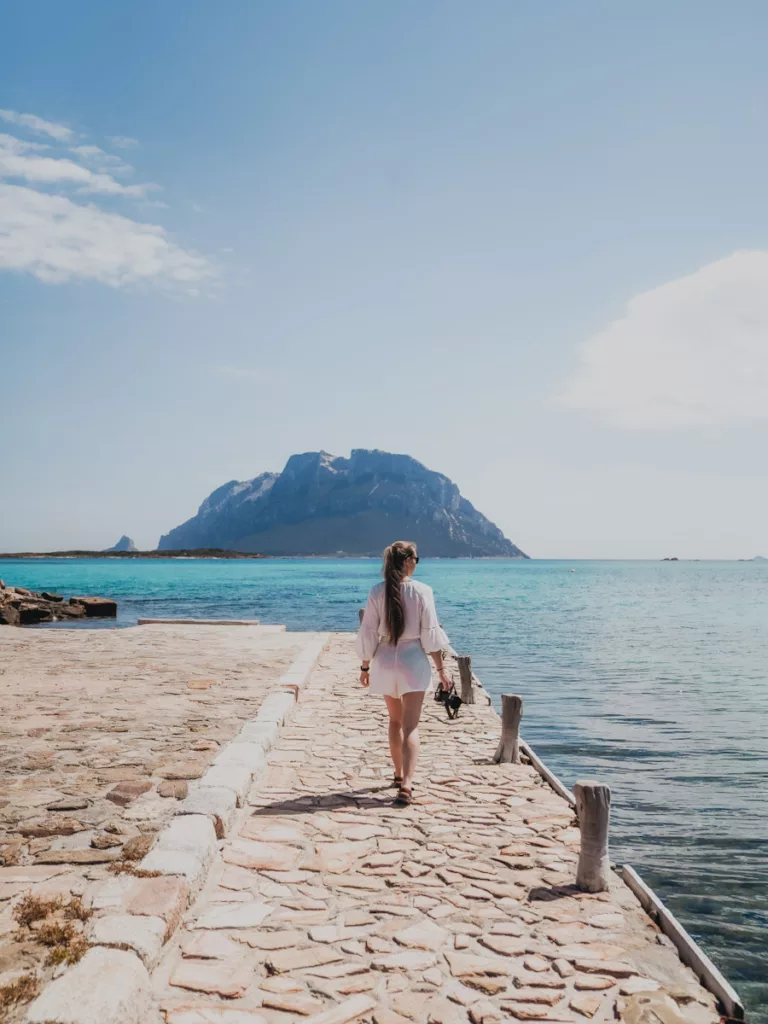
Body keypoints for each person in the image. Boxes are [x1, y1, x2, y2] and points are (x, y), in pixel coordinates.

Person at [356, 540, 452, 805]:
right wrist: (442, 670)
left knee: (394, 721)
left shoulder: (377, 591)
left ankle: (398, 774)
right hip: (412, 662)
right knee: (411, 726)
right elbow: (430, 637)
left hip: (385, 661)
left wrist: (365, 667)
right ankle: (407, 785)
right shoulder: (423, 591)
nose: (416, 564)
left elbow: (368, 632)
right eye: (416, 559)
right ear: (408, 560)